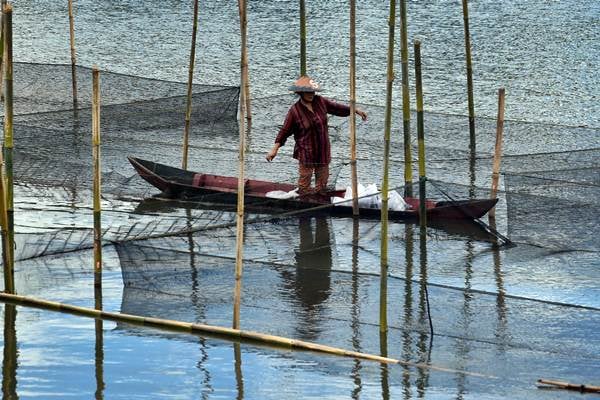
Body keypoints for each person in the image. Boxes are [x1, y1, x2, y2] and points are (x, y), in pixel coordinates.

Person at [266, 76, 367, 195]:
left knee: (322, 184)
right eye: (308, 92)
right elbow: (284, 131)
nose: (311, 94)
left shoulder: (320, 102)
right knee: (304, 185)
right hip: (306, 153)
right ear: (301, 93)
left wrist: (354, 110)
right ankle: (303, 204)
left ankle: (319, 202)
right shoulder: (295, 111)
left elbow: (337, 108)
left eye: (313, 92)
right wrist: (274, 149)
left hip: (323, 152)